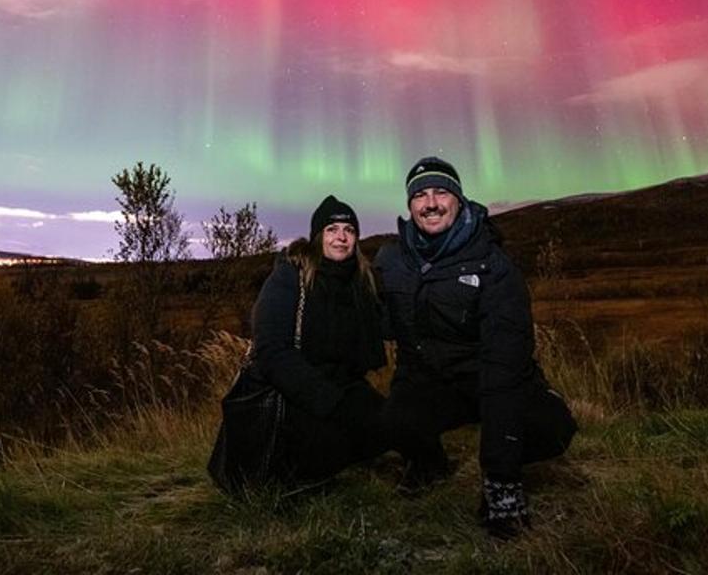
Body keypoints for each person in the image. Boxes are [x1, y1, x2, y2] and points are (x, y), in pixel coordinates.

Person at [376, 157, 576, 539]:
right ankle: (428, 464)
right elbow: (373, 321)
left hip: (491, 377)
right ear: (409, 206)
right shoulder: (392, 260)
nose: (430, 203)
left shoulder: (492, 263)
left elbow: (504, 363)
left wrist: (501, 478)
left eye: (440, 192)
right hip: (431, 382)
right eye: (420, 195)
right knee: (391, 420)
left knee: (552, 427)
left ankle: (502, 473)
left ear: (459, 199)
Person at [247, 195, 388, 485]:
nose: (341, 237)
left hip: (346, 387)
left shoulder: (362, 281)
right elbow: (271, 351)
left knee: (395, 426)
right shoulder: (290, 276)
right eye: (332, 230)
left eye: (349, 230)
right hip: (297, 393)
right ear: (317, 236)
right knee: (314, 467)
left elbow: (386, 327)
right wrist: (329, 401)